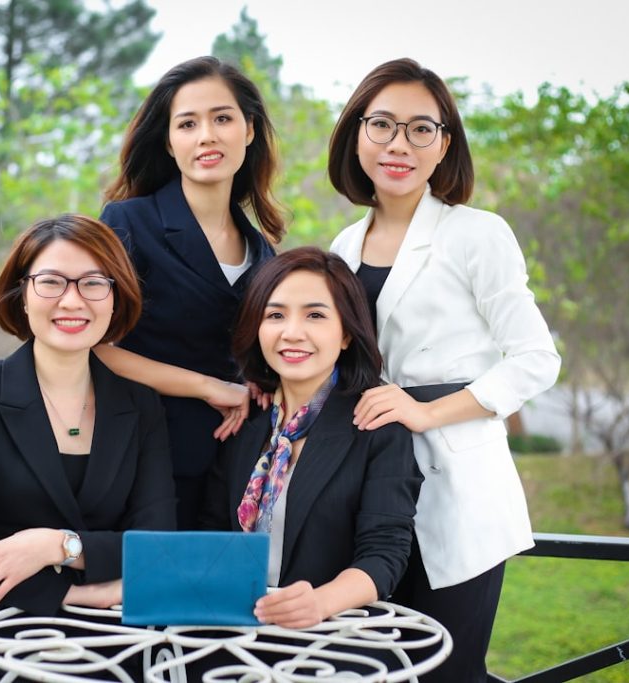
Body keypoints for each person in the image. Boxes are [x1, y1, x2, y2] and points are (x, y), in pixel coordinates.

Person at [327, 58, 562, 682]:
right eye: (382, 124)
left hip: (456, 491)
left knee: (447, 671)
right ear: (357, 133)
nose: (398, 144)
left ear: (444, 144)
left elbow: (536, 358)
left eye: (420, 129)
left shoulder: (476, 234)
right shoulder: (343, 246)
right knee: (368, 667)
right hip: (368, 492)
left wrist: (426, 411)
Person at [0, 214, 176, 683]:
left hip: (106, 649)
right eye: (52, 281)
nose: (72, 300)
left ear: (115, 297)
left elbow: (155, 547)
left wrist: (56, 545)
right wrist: (75, 594)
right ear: (22, 293)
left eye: (93, 283)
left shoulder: (141, 405)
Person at [96, 56, 286, 529]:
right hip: (144, 458)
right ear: (169, 141)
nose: (206, 136)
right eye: (187, 123)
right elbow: (94, 348)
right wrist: (208, 386)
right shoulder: (128, 222)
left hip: (236, 467)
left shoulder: (264, 250)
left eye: (222, 118)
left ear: (248, 130)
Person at [201, 247, 422, 633]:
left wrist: (320, 603)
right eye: (275, 315)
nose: (292, 332)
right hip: (236, 633)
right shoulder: (246, 424)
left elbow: (384, 554)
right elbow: (212, 532)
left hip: (333, 635)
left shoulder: (377, 426)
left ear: (346, 334)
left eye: (315, 315)